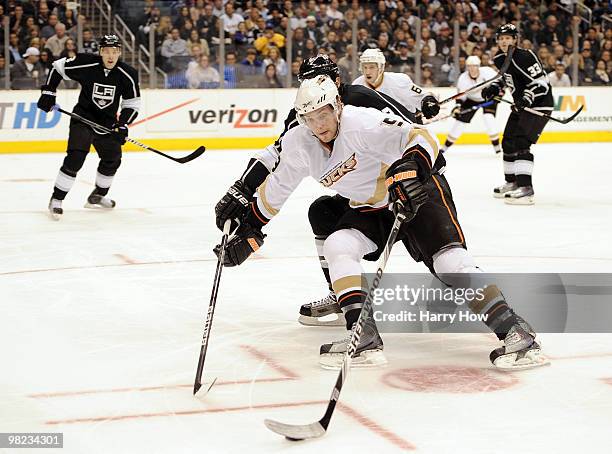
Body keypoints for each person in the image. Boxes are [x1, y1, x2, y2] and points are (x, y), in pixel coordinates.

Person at [214, 75, 547, 371]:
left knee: (448, 263)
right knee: (338, 243)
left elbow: (421, 137)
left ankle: (514, 329)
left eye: (324, 114)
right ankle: (363, 334)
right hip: (373, 208)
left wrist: (412, 169)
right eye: (310, 118)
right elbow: (276, 191)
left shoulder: (363, 123)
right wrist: (250, 226)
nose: (318, 124)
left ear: (338, 106)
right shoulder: (299, 142)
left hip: (416, 190)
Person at [214, 54, 445, 328]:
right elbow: (279, 155)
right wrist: (245, 190)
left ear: (337, 81)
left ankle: (450, 281)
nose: (317, 121)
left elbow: (408, 130)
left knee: (437, 246)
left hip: (404, 184)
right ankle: (342, 294)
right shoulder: (304, 116)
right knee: (322, 212)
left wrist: (419, 169)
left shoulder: (361, 99)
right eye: (307, 82)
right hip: (364, 196)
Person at [36, 35, 141, 220]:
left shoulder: (128, 74)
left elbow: (132, 104)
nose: (110, 55)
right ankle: (57, 199)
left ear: (119, 53)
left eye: (114, 51)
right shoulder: (86, 63)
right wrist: (48, 92)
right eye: (106, 51)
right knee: (76, 157)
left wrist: (122, 124)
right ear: (100, 52)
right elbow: (57, 67)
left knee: (112, 159)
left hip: (107, 124)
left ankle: (97, 196)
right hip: (82, 118)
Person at [482, 23, 553, 205]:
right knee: (508, 142)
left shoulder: (525, 56)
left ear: (515, 40)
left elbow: (542, 83)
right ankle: (511, 182)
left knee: (522, 142)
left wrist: (527, 97)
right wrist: (494, 88)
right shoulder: (499, 58)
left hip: (539, 105)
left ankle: (526, 189)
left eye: (508, 38)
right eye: (501, 38)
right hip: (520, 105)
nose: (504, 41)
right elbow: (507, 79)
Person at [352, 48, 440, 121]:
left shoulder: (399, 81)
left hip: (407, 127)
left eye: (372, 67)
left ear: (381, 67)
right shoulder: (357, 85)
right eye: (365, 67)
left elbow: (422, 97)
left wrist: (428, 102)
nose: (367, 72)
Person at [441, 55, 501, 154]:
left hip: (488, 99)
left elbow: (500, 83)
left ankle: (497, 149)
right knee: (459, 124)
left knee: (488, 118)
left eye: (475, 66)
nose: (472, 69)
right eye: (470, 66)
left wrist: (499, 95)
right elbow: (461, 97)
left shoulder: (488, 72)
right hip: (471, 100)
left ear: (479, 66)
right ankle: (443, 149)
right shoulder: (463, 78)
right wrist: (458, 107)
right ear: (467, 67)